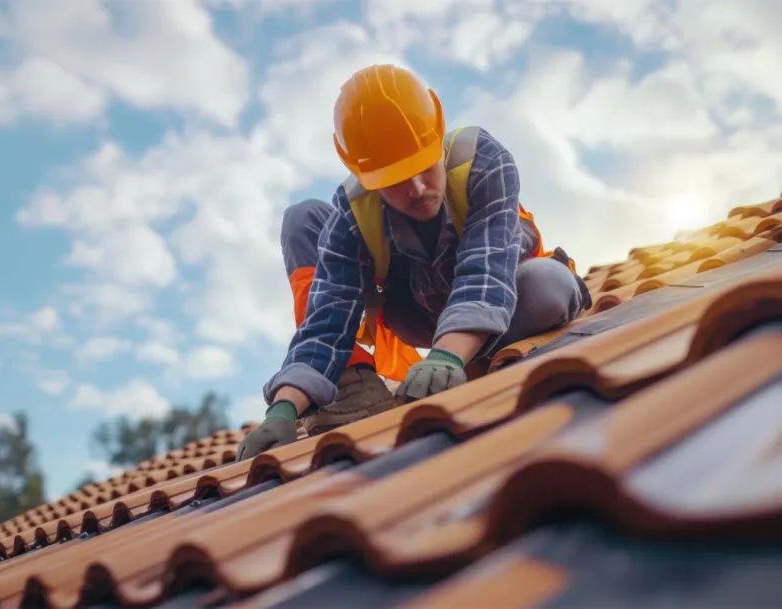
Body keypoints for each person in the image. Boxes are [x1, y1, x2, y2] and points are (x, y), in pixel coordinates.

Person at [236, 64, 591, 461]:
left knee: (546, 284)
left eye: (424, 167)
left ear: (437, 132)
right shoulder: (352, 212)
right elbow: (327, 318)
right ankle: (352, 387)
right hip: (422, 317)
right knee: (302, 216)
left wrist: (448, 356)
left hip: (511, 299)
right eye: (397, 179)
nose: (419, 189)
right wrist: (283, 408)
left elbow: (485, 271)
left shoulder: (483, 159)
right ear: (360, 170)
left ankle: (483, 357)